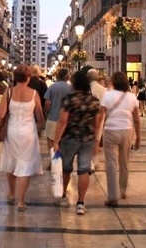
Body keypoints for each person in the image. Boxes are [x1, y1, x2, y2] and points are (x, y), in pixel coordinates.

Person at [53, 70, 104, 215]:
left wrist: (56, 140)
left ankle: (63, 196)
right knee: (83, 170)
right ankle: (81, 203)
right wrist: (96, 141)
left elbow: (63, 121)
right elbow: (97, 123)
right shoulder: (94, 101)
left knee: (66, 168)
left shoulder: (69, 99)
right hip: (87, 139)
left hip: (70, 138)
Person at [0, 65, 45, 211]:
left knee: (11, 161)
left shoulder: (9, 92)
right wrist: (39, 128)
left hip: (12, 131)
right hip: (28, 132)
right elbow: (40, 116)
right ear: (28, 77)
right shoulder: (34, 93)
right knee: (25, 164)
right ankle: (21, 201)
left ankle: (11, 192)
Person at [101, 72, 141, 207]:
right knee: (124, 162)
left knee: (111, 164)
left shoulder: (107, 95)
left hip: (111, 130)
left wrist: (98, 134)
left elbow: (101, 116)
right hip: (127, 131)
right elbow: (136, 119)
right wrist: (139, 137)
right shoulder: (131, 97)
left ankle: (113, 196)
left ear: (113, 82)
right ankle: (122, 190)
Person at [44, 68, 72, 159]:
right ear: (67, 76)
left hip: (52, 117)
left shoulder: (52, 87)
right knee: (63, 141)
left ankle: (53, 160)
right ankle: (62, 159)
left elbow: (47, 102)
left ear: (57, 76)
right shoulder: (71, 88)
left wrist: (47, 111)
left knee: (51, 140)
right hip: (67, 120)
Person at [87, 68, 107, 171]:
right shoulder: (103, 90)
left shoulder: (85, 88)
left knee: (87, 139)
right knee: (97, 139)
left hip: (86, 117)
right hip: (100, 116)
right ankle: (95, 160)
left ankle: (88, 161)